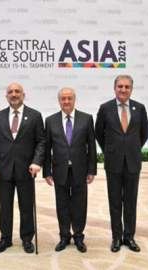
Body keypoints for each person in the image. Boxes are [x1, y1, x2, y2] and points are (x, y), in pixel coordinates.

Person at [0, 82, 45, 254]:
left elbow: (41, 142)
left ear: (23, 95)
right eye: (10, 92)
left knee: (26, 206)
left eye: (17, 91)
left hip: (26, 169)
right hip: (4, 170)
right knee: (5, 206)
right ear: (6, 96)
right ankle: (5, 239)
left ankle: (27, 239)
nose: (14, 94)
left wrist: (37, 162)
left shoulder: (35, 116)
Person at [95, 75, 148, 253]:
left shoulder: (139, 108)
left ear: (131, 89)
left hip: (133, 162)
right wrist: (111, 149)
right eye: (120, 87)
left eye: (127, 87)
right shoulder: (105, 108)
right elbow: (99, 134)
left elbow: (144, 134)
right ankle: (116, 237)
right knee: (115, 201)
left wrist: (131, 149)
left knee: (131, 201)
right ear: (114, 88)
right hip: (113, 163)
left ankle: (129, 237)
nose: (123, 90)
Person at [43, 87, 97, 253]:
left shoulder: (86, 119)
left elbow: (92, 147)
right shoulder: (50, 120)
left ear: (74, 100)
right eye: (63, 99)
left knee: (80, 205)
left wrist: (92, 170)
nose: (66, 101)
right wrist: (47, 171)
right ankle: (64, 236)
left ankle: (79, 236)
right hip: (59, 171)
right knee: (62, 205)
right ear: (59, 101)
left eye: (69, 98)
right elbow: (47, 148)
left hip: (80, 170)